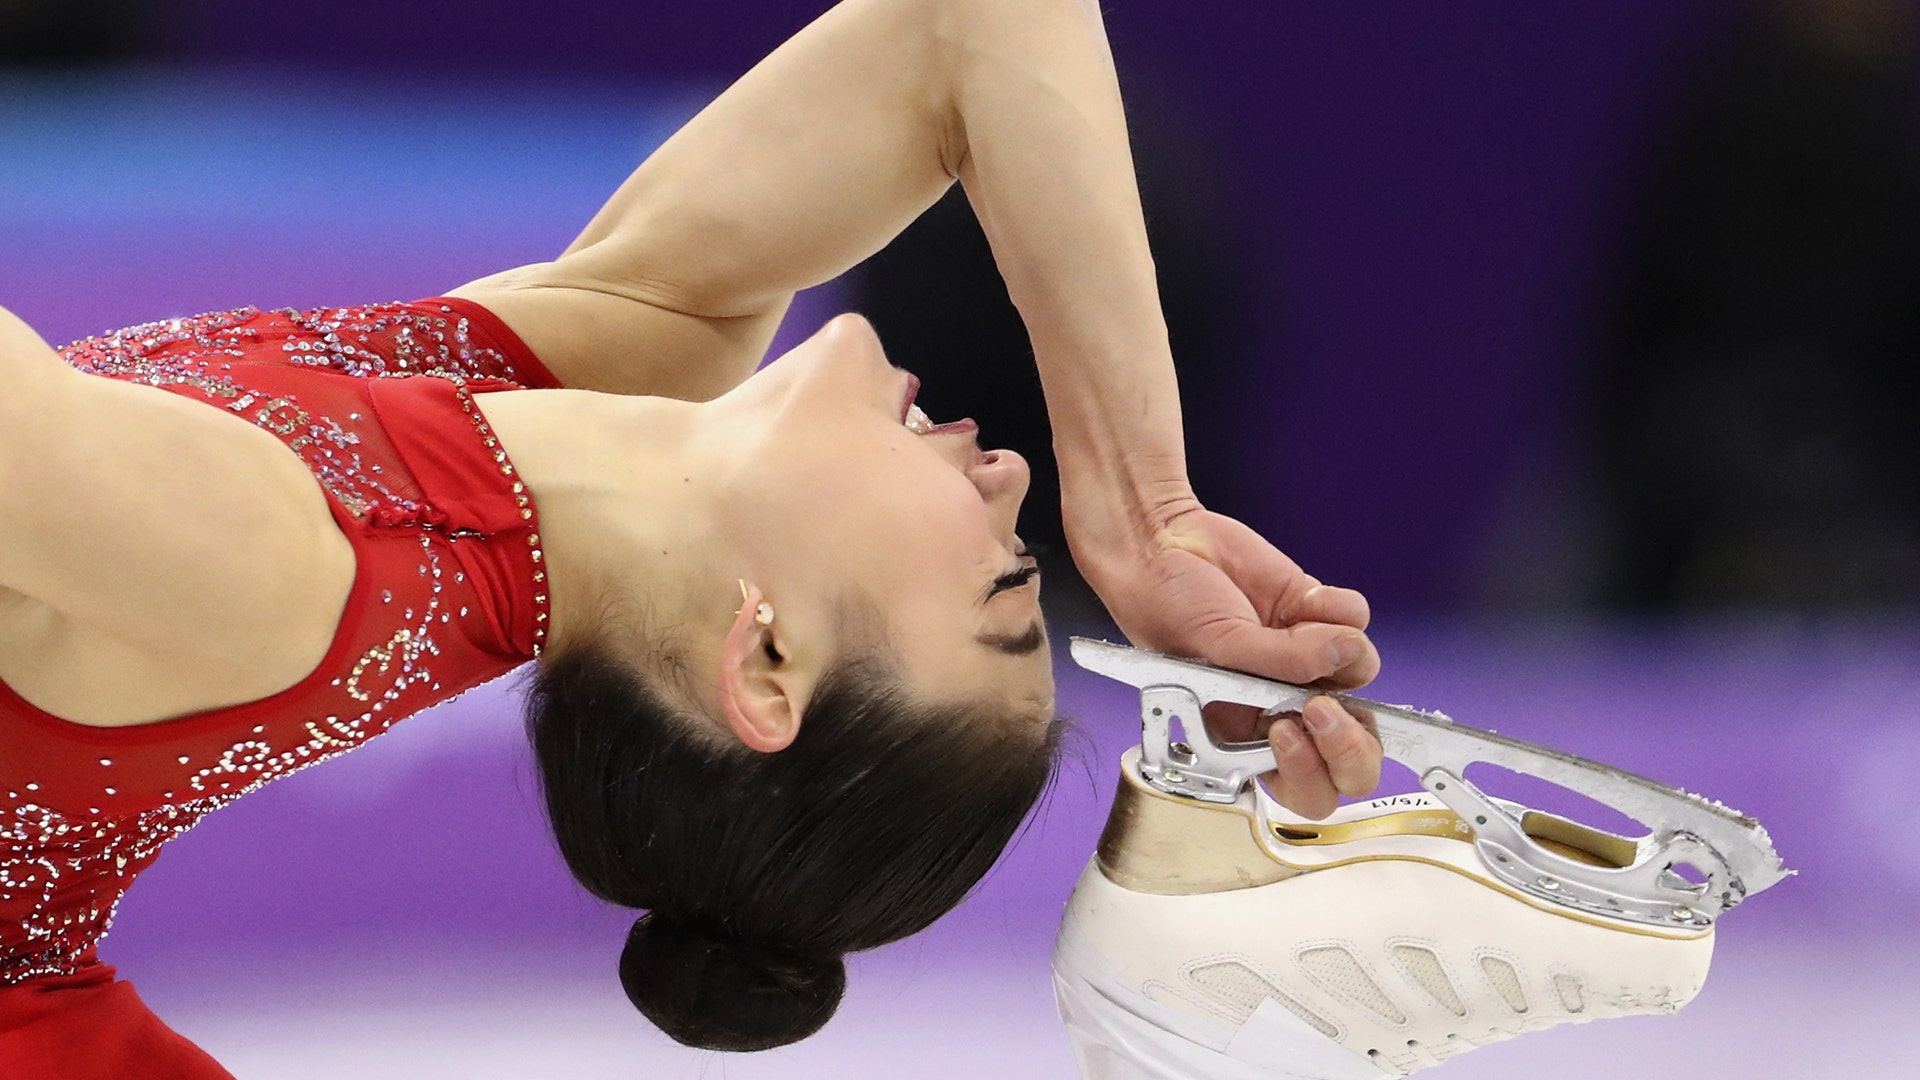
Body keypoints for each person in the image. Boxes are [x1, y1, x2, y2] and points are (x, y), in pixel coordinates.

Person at [0, 0, 1382, 1072]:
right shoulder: (599, 370)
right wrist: (1141, 507)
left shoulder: (277, 570)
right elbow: (971, 24)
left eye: (1000, 587)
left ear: (765, 661)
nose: (1013, 476)